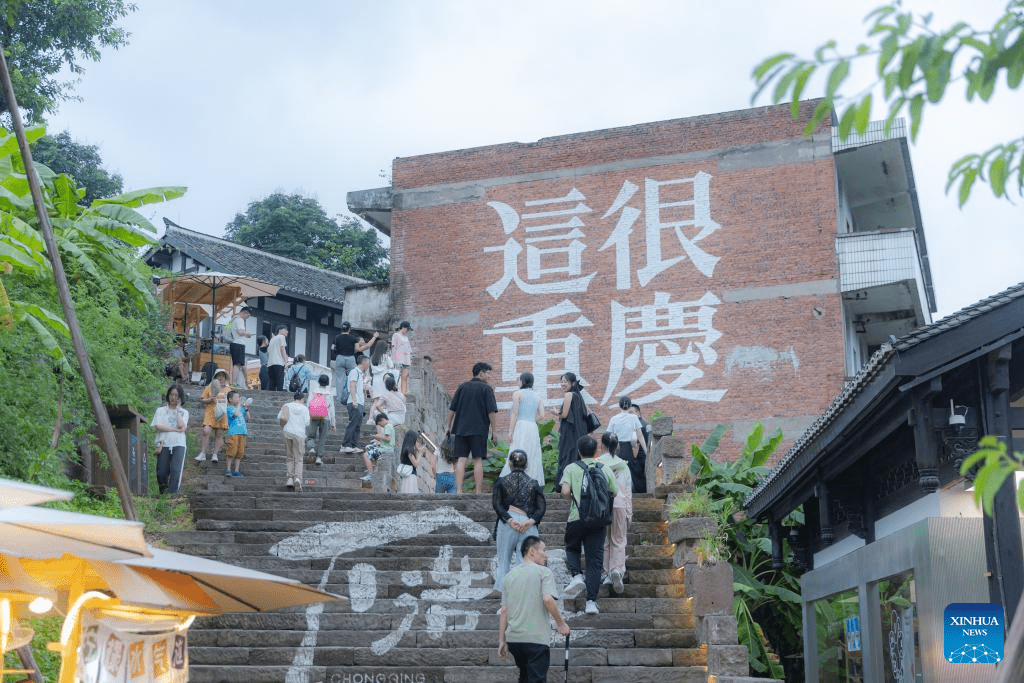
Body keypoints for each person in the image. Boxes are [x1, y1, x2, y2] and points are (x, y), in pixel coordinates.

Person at [498, 537, 571, 683]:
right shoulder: (543, 572)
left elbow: (504, 610)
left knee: (525, 677)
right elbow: (547, 599)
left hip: (514, 640)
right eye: (543, 550)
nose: (546, 554)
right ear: (532, 551)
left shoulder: (508, 577)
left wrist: (501, 641)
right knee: (536, 679)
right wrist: (561, 623)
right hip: (536, 639)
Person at [560, 434, 617, 615]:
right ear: (596, 451)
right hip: (598, 520)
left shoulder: (571, 467)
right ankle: (591, 602)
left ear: (578, 451)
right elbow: (614, 492)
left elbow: (565, 491)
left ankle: (576, 575)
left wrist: (573, 498)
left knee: (572, 547)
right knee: (594, 562)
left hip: (577, 518)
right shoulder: (604, 468)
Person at [492, 450, 546, 593]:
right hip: (527, 524)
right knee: (526, 565)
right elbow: (541, 507)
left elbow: (496, 504)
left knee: (503, 563)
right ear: (526, 464)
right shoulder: (533, 484)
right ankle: (525, 598)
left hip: (507, 523)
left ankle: (505, 602)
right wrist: (530, 521)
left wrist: (509, 520)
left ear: (509, 463)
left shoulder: (501, 482)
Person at [446, 362, 498, 494]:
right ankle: (478, 491)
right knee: (478, 459)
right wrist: (494, 431)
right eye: (488, 373)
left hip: (461, 429)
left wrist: (448, 426)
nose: (489, 376)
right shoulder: (486, 389)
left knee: (461, 459)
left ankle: (458, 490)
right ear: (481, 373)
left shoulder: (462, 387)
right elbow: (491, 412)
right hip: (479, 429)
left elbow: (452, 409)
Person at [598, 432, 633, 594]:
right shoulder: (623, 465)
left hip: (602, 506)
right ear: (617, 445)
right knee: (619, 539)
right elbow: (627, 491)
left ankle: (605, 572)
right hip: (619, 505)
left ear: (602, 445)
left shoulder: (598, 464)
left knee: (604, 540)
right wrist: (629, 512)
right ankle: (617, 570)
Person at [498, 372, 546, 486]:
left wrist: (510, 432)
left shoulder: (517, 394)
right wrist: (531, 419)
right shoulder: (538, 396)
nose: (517, 381)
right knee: (532, 453)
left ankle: (514, 481)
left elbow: (514, 413)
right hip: (532, 427)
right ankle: (531, 481)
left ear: (523, 381)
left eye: (519, 379)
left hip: (521, 426)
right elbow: (542, 416)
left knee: (517, 450)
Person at [151, 384, 188, 494]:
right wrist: (174, 429)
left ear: (180, 397)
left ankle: (173, 495)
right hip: (164, 443)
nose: (173, 398)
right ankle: (163, 492)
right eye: (171, 395)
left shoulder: (184, 412)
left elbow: (181, 426)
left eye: (176, 395)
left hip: (179, 444)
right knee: (161, 472)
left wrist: (177, 410)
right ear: (168, 395)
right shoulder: (160, 410)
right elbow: (158, 426)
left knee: (176, 471)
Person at [607, 396, 646, 494]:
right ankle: (629, 494)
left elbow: (609, 435)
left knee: (617, 472)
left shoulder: (614, 419)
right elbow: (640, 435)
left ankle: (617, 493)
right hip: (628, 449)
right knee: (629, 472)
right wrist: (646, 450)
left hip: (617, 448)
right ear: (629, 406)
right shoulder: (633, 418)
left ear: (619, 406)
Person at [555, 372, 588, 485]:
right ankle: (579, 482)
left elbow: (564, 415)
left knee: (567, 455)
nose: (563, 384)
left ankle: (565, 483)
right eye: (562, 381)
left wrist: (555, 413)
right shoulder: (578, 396)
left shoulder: (569, 395)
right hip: (579, 432)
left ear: (573, 383)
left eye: (566, 382)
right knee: (576, 455)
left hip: (569, 432)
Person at [332, 322, 377, 403]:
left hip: (339, 358)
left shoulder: (337, 337)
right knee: (353, 377)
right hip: (350, 358)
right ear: (349, 329)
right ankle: (352, 397)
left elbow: (334, 348)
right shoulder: (353, 338)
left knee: (339, 379)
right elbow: (357, 349)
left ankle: (339, 399)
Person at [195, 368, 230, 463]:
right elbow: (202, 399)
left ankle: (215, 454)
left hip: (221, 414)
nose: (221, 378)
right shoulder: (209, 387)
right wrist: (210, 399)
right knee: (206, 431)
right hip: (210, 412)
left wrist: (219, 401)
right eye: (219, 376)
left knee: (219, 434)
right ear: (215, 377)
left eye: (223, 376)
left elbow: (230, 402)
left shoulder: (228, 389)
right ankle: (203, 453)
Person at [278, 391, 310, 491]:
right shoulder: (304, 408)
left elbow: (280, 418)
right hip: (299, 435)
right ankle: (297, 478)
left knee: (290, 457)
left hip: (288, 433)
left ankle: (290, 479)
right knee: (299, 458)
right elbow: (307, 422)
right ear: (302, 399)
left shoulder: (286, 405)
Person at [341, 354, 370, 453]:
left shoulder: (361, 374)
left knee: (357, 425)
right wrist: (354, 400)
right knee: (353, 424)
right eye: (368, 363)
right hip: (355, 402)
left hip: (360, 402)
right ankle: (345, 445)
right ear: (364, 362)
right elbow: (352, 385)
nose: (368, 366)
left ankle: (353, 445)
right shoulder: (354, 372)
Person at [306, 374, 336, 465]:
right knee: (322, 438)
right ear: (327, 383)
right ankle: (319, 458)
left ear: (318, 381)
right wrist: (333, 423)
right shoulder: (329, 393)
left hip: (314, 416)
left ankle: (311, 448)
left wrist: (308, 417)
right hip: (325, 417)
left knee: (311, 436)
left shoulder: (313, 391)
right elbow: (332, 409)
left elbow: (308, 404)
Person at [363, 412, 395, 490]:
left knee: (365, 455)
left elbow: (388, 438)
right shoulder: (391, 426)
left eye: (380, 424)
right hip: (389, 450)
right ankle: (371, 470)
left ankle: (370, 473)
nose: (381, 426)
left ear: (382, 420)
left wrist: (378, 436)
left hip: (385, 450)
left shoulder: (387, 426)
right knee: (370, 449)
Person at [224, 390, 251, 478]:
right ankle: (228, 469)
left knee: (240, 452)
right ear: (230, 400)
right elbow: (235, 415)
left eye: (239, 397)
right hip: (233, 433)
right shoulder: (229, 408)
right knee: (231, 451)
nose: (239, 399)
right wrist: (239, 405)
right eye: (237, 397)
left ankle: (236, 470)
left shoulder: (241, 409)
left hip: (243, 433)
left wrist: (246, 408)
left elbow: (248, 418)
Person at [224, 306, 253, 387]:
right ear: (245, 313)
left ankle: (247, 382)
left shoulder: (233, 319)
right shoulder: (240, 320)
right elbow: (240, 332)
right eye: (248, 315)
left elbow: (227, 329)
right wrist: (248, 333)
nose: (248, 317)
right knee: (237, 364)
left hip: (234, 343)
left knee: (242, 364)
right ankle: (233, 383)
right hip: (238, 343)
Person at [629, 403, 651, 493]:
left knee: (637, 478)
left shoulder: (638, 424)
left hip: (641, 457)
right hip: (646, 456)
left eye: (631, 412)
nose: (629, 415)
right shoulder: (645, 423)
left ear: (637, 412)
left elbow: (635, 441)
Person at [391, 320, 413, 395]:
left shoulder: (406, 337)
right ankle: (395, 390)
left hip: (406, 359)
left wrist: (410, 357)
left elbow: (409, 349)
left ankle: (404, 392)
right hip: (398, 358)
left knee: (405, 376)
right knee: (397, 375)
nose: (407, 331)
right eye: (407, 329)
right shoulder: (396, 335)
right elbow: (394, 347)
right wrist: (393, 359)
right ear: (403, 328)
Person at [397, 430, 421, 494]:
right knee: (410, 493)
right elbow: (416, 464)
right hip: (409, 476)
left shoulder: (405, 449)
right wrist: (420, 454)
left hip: (406, 475)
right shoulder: (409, 450)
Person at [267, 325, 289, 391]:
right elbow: (282, 349)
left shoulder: (272, 339)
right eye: (285, 330)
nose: (287, 331)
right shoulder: (282, 337)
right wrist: (285, 362)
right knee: (279, 382)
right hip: (278, 362)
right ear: (280, 330)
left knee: (272, 383)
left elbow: (269, 350)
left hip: (270, 363)